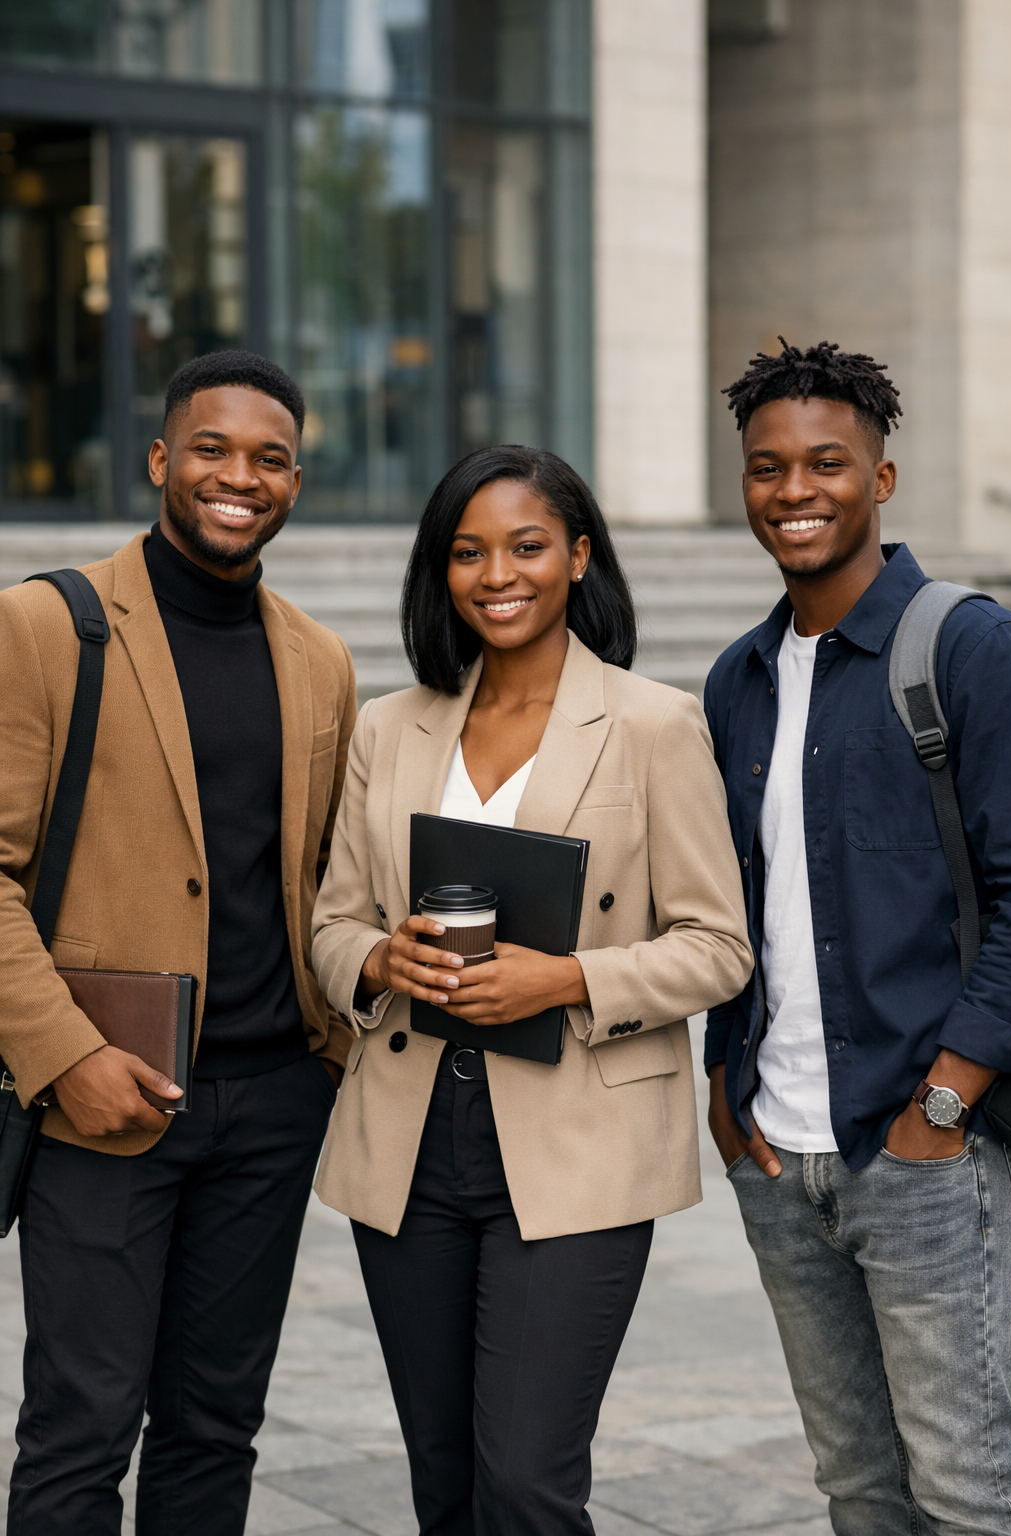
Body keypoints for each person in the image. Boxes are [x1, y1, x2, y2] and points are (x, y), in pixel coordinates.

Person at [310, 444, 753, 1535]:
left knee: (527, 1484)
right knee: (446, 1482)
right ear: (439, 570)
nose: (495, 573)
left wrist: (568, 978)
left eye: (525, 546)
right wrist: (376, 962)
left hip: (575, 1140)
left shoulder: (652, 724)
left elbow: (717, 946)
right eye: (467, 552)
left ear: (578, 557)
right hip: (411, 1137)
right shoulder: (388, 723)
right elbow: (331, 921)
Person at [0, 350, 357, 1536]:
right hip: (103, 1100)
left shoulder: (320, 663)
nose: (237, 477)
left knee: (215, 1428)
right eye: (211, 448)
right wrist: (64, 1057)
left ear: (296, 482)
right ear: (161, 459)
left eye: (269, 459)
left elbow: (307, 879)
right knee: (80, 1425)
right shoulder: (49, 626)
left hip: (268, 1109)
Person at [704, 338, 1011, 1534]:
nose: (794, 491)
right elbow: (739, 899)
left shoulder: (971, 649)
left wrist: (942, 1105)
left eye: (825, 463)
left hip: (930, 1155)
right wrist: (723, 1083)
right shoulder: (736, 679)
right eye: (766, 468)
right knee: (856, 1492)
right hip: (780, 1162)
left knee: (969, 1494)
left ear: (880, 480)